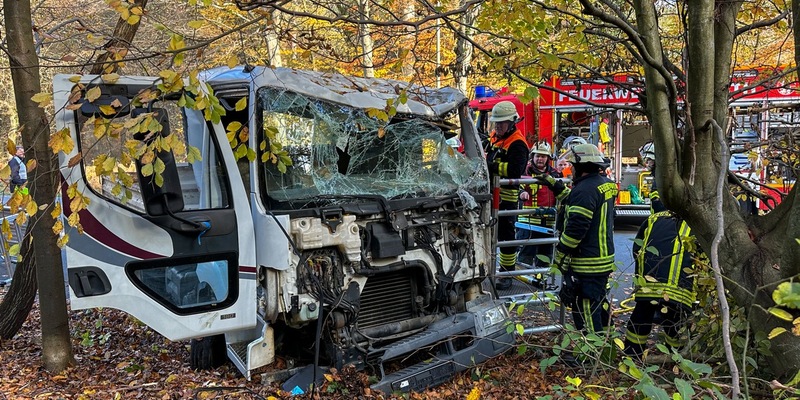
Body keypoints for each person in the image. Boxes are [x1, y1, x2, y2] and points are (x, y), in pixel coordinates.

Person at [537, 143, 617, 333]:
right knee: (600, 304)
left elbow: (576, 228)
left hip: (588, 262)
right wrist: (556, 186)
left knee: (585, 309)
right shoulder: (604, 185)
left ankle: (591, 356)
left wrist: (561, 254)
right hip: (602, 259)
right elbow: (577, 201)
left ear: (581, 166)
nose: (571, 168)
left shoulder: (585, 190)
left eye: (573, 165)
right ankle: (608, 346)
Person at [623, 210, 698, 357]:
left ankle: (632, 355)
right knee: (675, 322)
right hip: (677, 287)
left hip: (648, 282)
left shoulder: (654, 218)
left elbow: (637, 249)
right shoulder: (695, 221)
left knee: (641, 316)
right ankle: (676, 358)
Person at [486, 101, 529, 290]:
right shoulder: (494, 137)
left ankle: (506, 273)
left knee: (506, 236)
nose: (498, 126)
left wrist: (492, 167)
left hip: (506, 198)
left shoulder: (518, 143)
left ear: (512, 122)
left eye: (501, 123)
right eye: (496, 123)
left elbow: (515, 170)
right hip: (489, 195)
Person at [517, 141, 561, 283]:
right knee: (526, 253)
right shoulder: (526, 171)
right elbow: (518, 187)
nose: (540, 159)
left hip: (548, 222)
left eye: (543, 156)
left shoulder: (554, 174)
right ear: (533, 156)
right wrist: (522, 193)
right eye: (537, 156)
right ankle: (523, 280)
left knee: (546, 254)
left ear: (548, 158)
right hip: (528, 221)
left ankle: (540, 280)